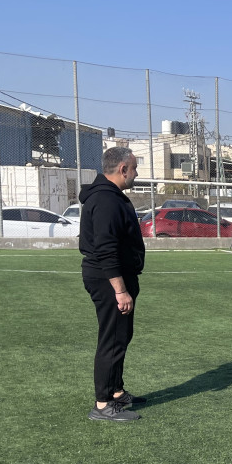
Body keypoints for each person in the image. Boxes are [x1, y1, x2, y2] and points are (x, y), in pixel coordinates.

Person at [80, 146, 147, 422]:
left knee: (121, 335)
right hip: (108, 279)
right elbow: (105, 249)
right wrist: (120, 290)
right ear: (123, 169)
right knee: (112, 339)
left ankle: (116, 391)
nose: (136, 173)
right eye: (134, 168)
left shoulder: (110, 196)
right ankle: (103, 404)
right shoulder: (106, 200)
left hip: (115, 276)